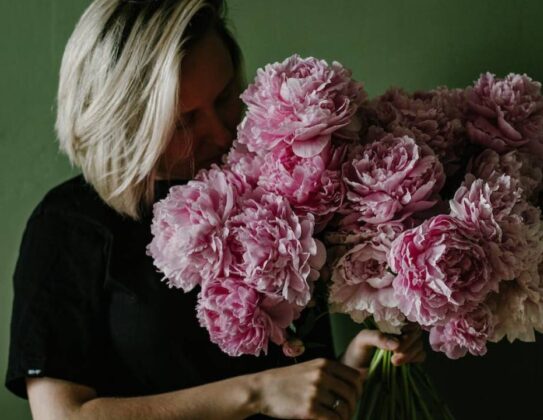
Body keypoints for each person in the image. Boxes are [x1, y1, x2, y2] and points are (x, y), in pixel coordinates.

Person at [4, 1, 426, 419]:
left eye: (226, 97)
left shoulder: (278, 200)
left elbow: (293, 392)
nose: (222, 132)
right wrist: (255, 393)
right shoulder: (68, 225)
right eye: (185, 121)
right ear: (123, 124)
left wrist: (347, 372)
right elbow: (61, 416)